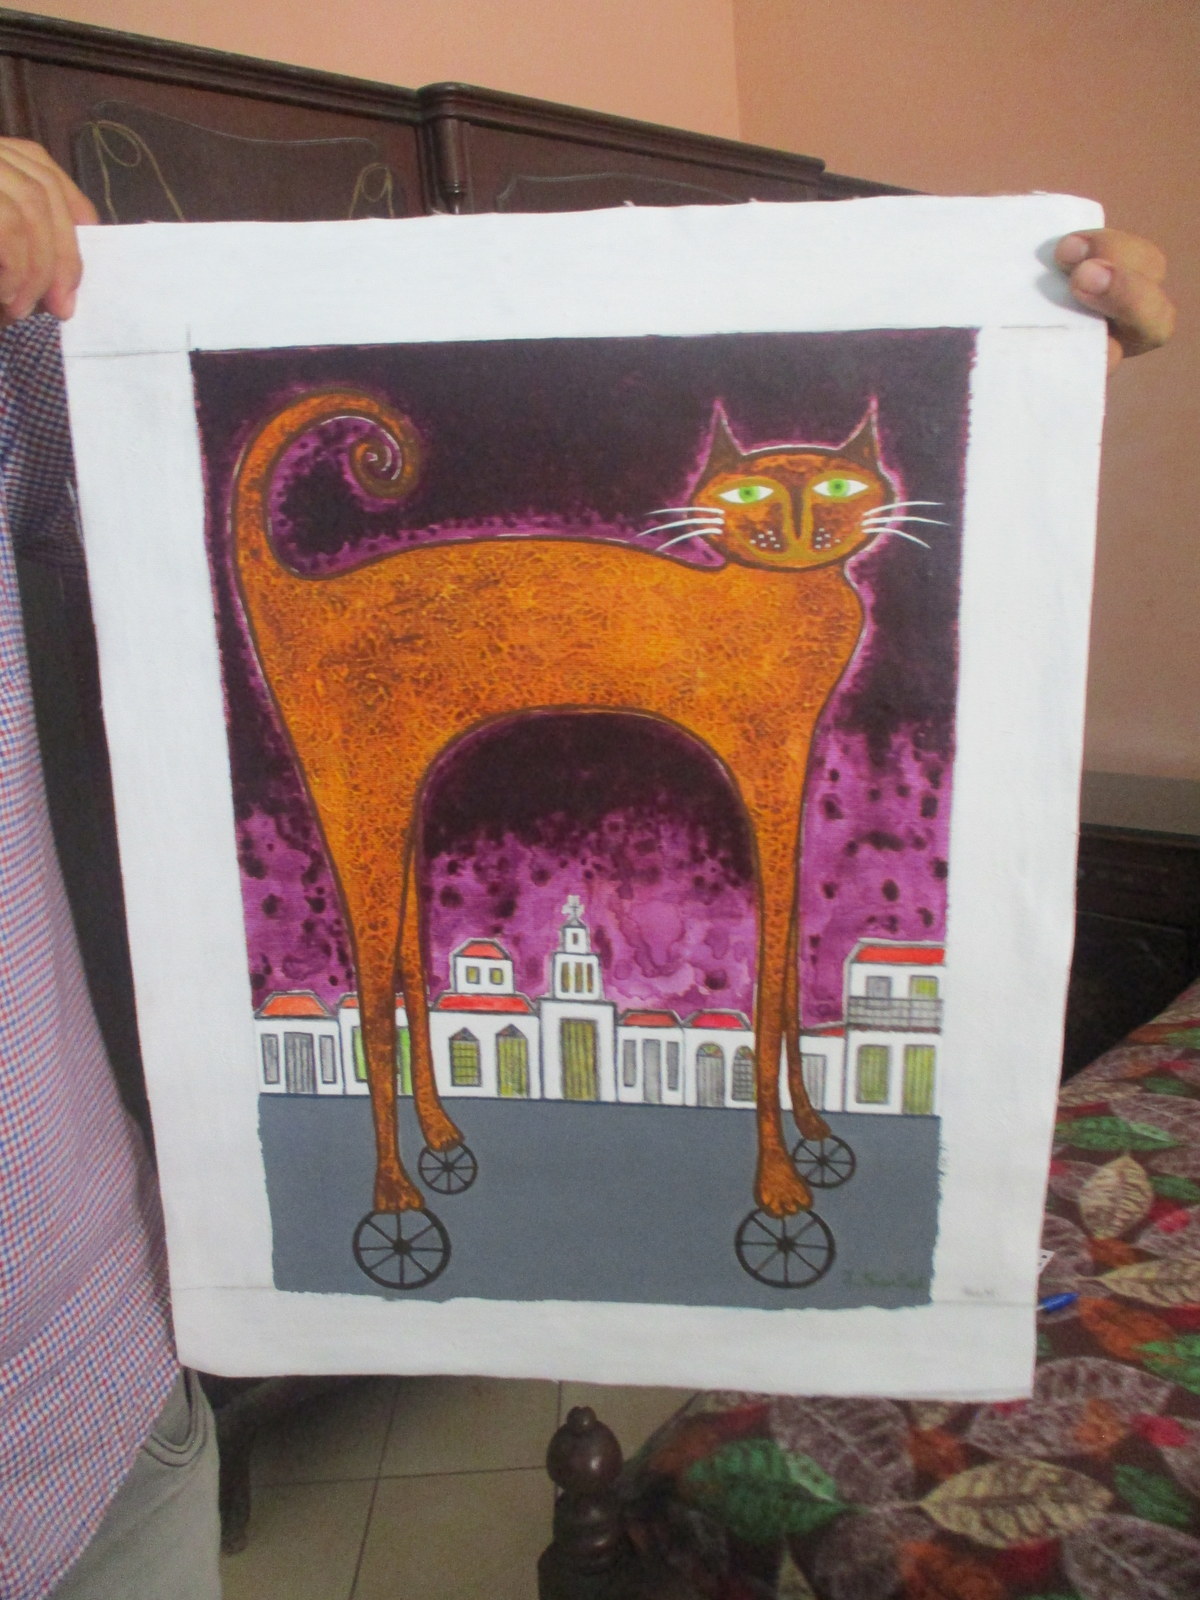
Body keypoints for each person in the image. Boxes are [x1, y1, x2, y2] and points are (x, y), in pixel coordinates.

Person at [0, 135, 1175, 1600]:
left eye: (830, 503)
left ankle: (674, 1135)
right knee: (376, 879)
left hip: (86, 1381)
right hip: (375, 651)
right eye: (768, 505)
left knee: (708, 862)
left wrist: (1040, 367)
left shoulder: (809, 618)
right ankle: (414, 1162)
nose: (800, 526)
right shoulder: (746, 614)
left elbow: (119, 436)